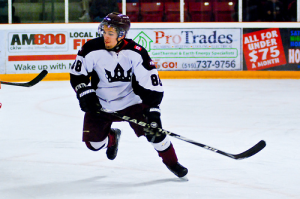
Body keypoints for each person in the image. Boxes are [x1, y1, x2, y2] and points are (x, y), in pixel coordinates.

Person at [70, 12, 188, 178]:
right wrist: (84, 92)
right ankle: (112, 136)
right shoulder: (91, 48)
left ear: (122, 34)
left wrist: (153, 113)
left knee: (155, 135)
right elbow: (78, 75)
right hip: (100, 104)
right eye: (104, 32)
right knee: (94, 145)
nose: (106, 37)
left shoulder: (136, 52)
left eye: (110, 33)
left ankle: (173, 163)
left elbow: (150, 84)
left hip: (132, 103)